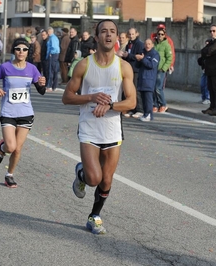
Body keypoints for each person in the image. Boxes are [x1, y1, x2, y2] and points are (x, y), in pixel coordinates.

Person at [62, 19, 136, 234]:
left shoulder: (124, 66)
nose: (109, 35)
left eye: (113, 31)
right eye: (104, 31)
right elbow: (67, 97)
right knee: (94, 178)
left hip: (112, 129)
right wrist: (91, 97)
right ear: (97, 37)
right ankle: (82, 174)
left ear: (117, 37)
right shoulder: (84, 64)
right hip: (89, 127)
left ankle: (95, 216)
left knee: (107, 179)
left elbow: (131, 102)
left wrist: (111, 105)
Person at [0, 38, 46, 188]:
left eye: (24, 49)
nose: (21, 52)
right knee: (10, 147)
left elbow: (42, 91)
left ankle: (9, 175)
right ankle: (2, 148)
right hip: (8, 112)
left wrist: (41, 84)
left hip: (26, 113)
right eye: (18, 49)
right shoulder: (5, 67)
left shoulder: (32, 69)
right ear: (14, 51)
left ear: (28, 52)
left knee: (17, 149)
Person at [200, 24, 216, 116]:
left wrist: (206, 51)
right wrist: (206, 51)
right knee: (210, 88)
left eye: (214, 31)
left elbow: (209, 50)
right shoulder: (212, 41)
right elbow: (203, 51)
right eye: (210, 31)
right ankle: (212, 106)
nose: (212, 33)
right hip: (210, 69)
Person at [120, 28, 144, 118]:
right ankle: (132, 109)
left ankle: (139, 109)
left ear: (136, 34)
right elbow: (129, 56)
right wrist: (124, 56)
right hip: (129, 69)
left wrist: (128, 55)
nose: (131, 36)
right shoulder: (129, 44)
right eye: (129, 34)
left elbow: (139, 57)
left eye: (133, 34)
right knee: (129, 90)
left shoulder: (139, 44)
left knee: (136, 90)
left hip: (136, 70)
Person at [135, 38, 160, 121]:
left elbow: (151, 65)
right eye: (146, 44)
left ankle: (149, 114)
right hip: (141, 79)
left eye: (149, 44)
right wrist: (138, 59)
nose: (147, 46)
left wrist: (143, 59)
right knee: (143, 98)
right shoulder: (142, 52)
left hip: (149, 80)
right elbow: (137, 66)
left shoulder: (155, 54)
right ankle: (145, 114)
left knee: (148, 99)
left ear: (152, 45)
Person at [153, 27, 173, 113]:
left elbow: (169, 58)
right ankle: (155, 105)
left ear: (164, 35)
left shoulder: (166, 45)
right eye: (159, 34)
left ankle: (163, 104)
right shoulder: (154, 44)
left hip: (161, 69)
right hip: (153, 69)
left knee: (158, 88)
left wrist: (164, 68)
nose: (160, 36)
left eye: (162, 34)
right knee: (153, 88)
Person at [197, 39, 211, 105]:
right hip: (204, 71)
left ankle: (207, 98)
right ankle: (204, 98)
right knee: (202, 84)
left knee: (206, 85)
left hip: (209, 71)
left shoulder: (210, 52)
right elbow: (201, 61)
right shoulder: (204, 52)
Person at [46, 27, 60, 92]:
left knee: (51, 71)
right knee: (54, 70)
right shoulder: (53, 37)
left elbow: (54, 47)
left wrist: (51, 53)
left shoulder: (52, 38)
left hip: (53, 55)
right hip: (54, 54)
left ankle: (49, 86)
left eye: (47, 32)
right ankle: (54, 86)